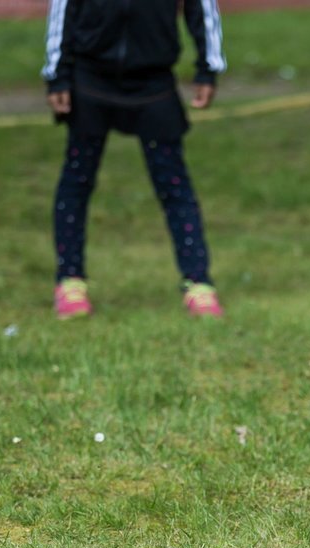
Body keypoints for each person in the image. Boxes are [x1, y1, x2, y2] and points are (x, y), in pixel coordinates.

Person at [41, 0, 227, 319]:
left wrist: (207, 67)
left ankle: (199, 283)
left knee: (175, 187)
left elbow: (202, 7)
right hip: (90, 78)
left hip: (153, 82)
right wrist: (57, 73)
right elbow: (63, 7)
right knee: (77, 181)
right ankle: (70, 281)